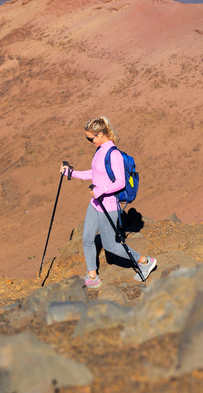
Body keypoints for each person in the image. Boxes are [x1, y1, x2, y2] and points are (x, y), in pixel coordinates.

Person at [61, 117, 157, 288]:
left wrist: (101, 190)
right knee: (87, 238)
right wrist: (71, 173)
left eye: (90, 138)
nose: (89, 141)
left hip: (109, 205)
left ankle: (145, 261)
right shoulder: (99, 150)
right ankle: (93, 278)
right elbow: (95, 172)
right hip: (95, 203)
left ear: (100, 134)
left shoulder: (114, 154)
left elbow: (120, 182)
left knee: (110, 245)